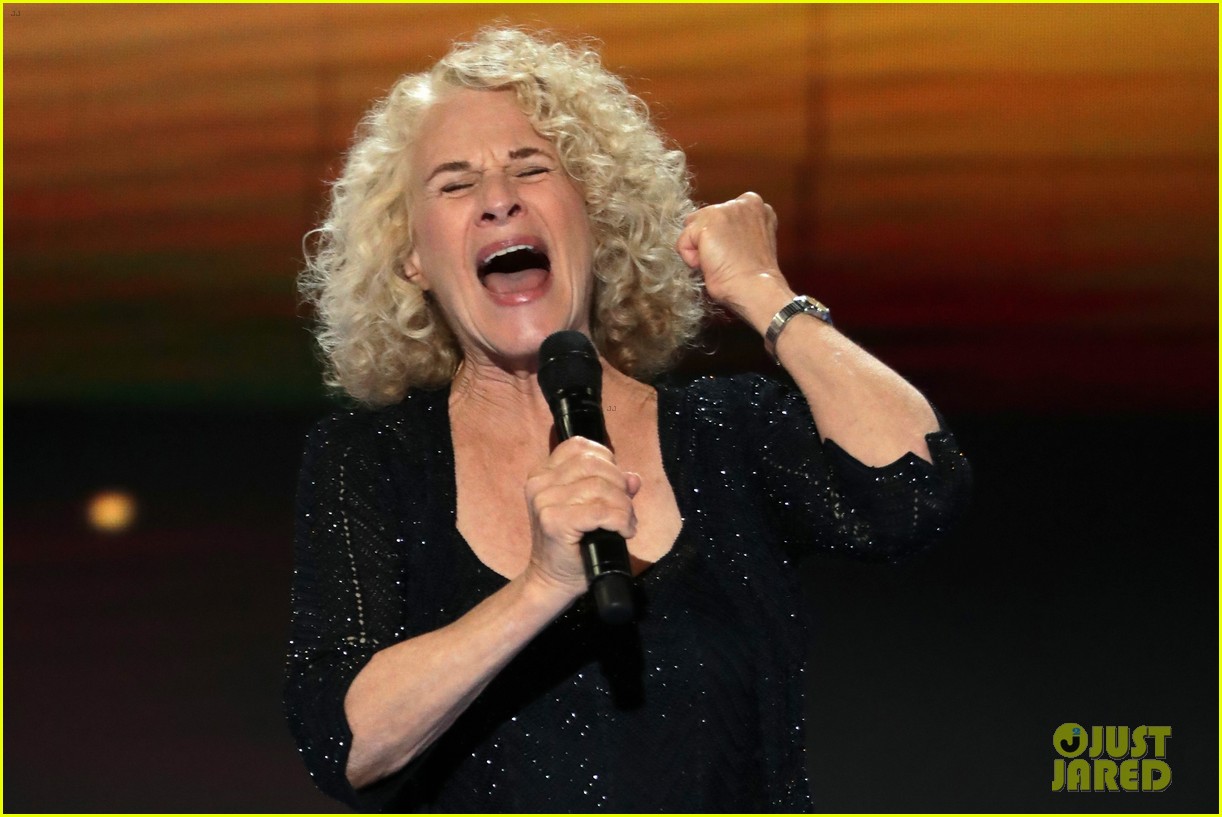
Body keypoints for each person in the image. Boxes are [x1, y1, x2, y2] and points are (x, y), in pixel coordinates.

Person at [286, 27, 971, 812]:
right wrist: (543, 585)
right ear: (412, 256)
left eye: (531, 167)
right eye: (455, 183)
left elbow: (914, 493)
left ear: (595, 215)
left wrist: (762, 290)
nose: (498, 198)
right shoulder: (370, 462)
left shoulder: (726, 434)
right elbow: (345, 742)